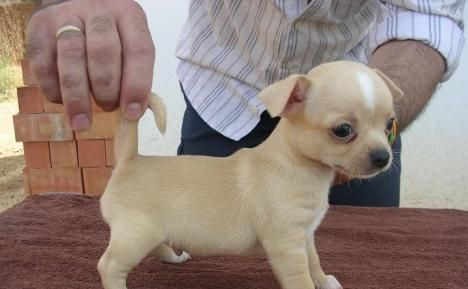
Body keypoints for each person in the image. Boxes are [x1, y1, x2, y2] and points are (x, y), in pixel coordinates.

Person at [26, 0, 465, 207]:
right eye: (345, 131)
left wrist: (378, 125)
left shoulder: (371, 136)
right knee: (206, 261)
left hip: (356, 105)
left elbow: (428, 14)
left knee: (364, 271)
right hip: (220, 97)